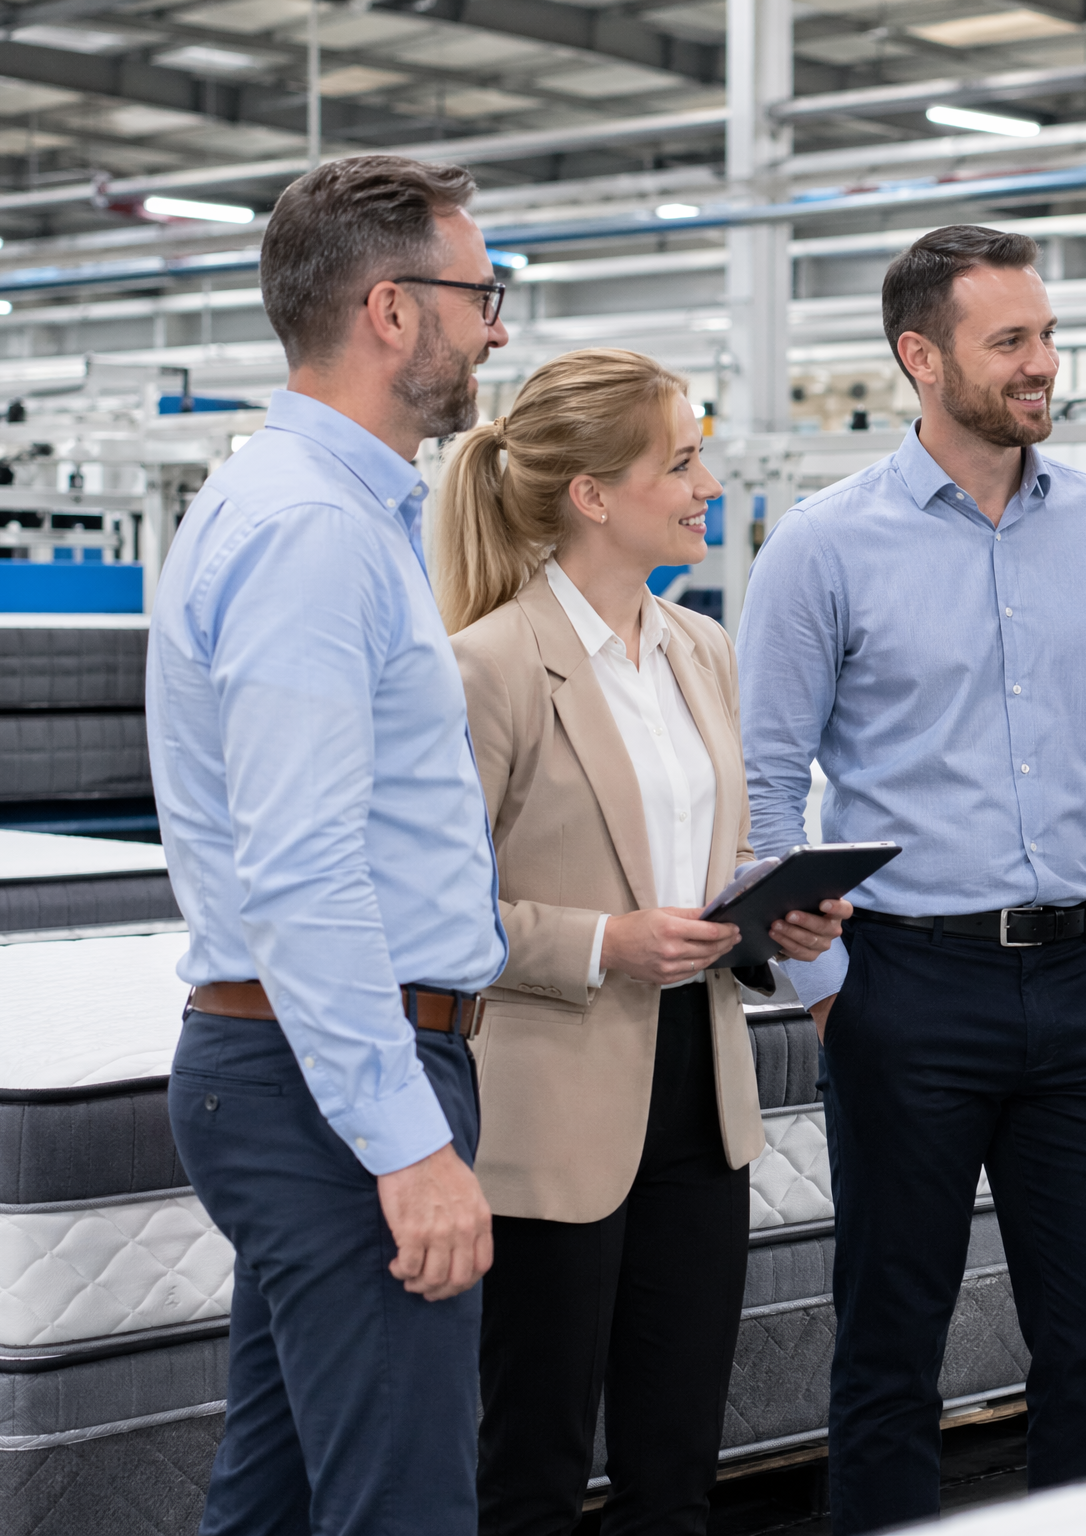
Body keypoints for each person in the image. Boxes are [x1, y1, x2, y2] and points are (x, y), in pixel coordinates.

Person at [737, 225, 1086, 1535]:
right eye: (1009, 341)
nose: (1042, 363)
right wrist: (831, 987)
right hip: (906, 991)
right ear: (921, 357)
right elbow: (763, 779)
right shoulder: (824, 546)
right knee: (890, 1351)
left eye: (1047, 335)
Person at [145, 154, 511, 1534]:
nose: (494, 331)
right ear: (392, 310)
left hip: (314, 1071)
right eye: (481, 296)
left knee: (280, 1501)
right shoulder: (310, 531)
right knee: (399, 1508)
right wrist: (404, 1144)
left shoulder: (331, 512)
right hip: (333, 1084)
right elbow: (301, 867)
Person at [439, 348, 850, 1536]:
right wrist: (599, 943)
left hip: (700, 1095)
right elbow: (435, 912)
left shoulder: (698, 648)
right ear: (592, 495)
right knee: (531, 1469)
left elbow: (714, 860)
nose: (706, 484)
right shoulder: (488, 666)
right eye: (680, 463)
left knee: (675, 1472)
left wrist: (771, 917)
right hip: (549, 1105)